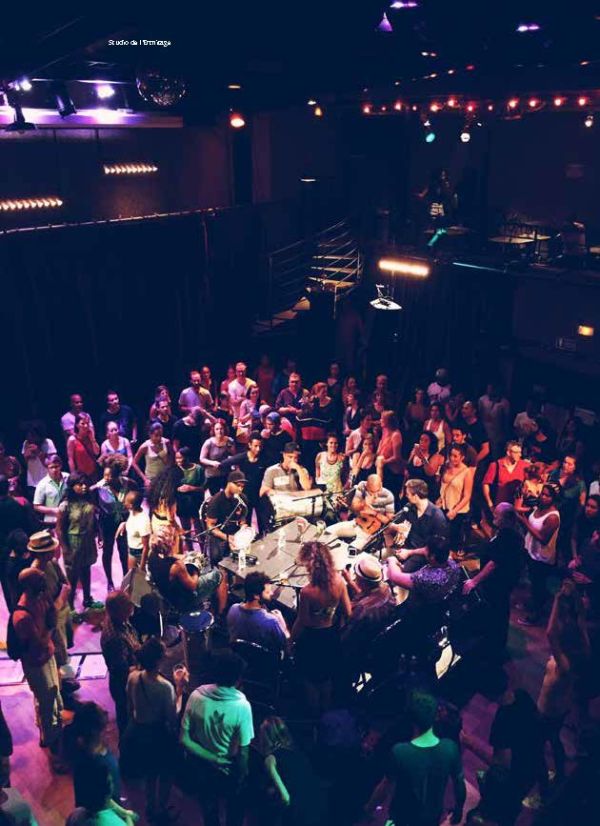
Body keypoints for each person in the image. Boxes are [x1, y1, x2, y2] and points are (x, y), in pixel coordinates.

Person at [367, 690, 466, 826]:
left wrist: (367, 811)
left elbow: (384, 788)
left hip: (402, 816)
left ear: (412, 721)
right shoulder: (450, 748)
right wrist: (459, 809)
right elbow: (459, 783)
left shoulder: (400, 751)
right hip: (433, 815)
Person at [461, 672, 548, 825]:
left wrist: (469, 743)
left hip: (515, 777)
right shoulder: (523, 696)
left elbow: (501, 765)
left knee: (500, 813)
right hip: (534, 763)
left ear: (488, 695)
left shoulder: (502, 720)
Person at [180, 649, 254, 826]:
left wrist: (212, 758)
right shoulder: (242, 706)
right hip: (230, 767)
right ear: (238, 679)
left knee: (209, 809)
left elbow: (184, 739)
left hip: (202, 766)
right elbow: (243, 752)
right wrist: (242, 775)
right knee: (235, 810)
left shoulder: (196, 696)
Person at [538, 581, 591, 784]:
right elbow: (581, 624)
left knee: (538, 745)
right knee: (554, 739)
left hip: (548, 710)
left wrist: (558, 600)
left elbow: (550, 633)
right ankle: (559, 773)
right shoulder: (583, 652)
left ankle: (544, 786)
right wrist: (576, 601)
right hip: (562, 708)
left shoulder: (565, 665)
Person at [12, 568, 64, 771]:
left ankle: (46, 731)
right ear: (28, 585)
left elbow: (50, 615)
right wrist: (52, 624)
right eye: (39, 579)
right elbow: (39, 643)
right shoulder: (22, 616)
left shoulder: (40, 599)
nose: (44, 581)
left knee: (53, 695)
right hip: (36, 662)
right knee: (47, 700)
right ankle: (53, 749)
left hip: (47, 656)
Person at [291, 541, 352, 714]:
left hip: (312, 639)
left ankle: (313, 716)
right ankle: (325, 714)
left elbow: (303, 621)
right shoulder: (339, 582)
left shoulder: (307, 592)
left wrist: (290, 640)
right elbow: (348, 612)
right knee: (326, 679)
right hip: (331, 636)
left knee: (310, 680)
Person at [126, 637, 178, 822]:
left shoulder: (133, 677)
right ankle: (161, 808)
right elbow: (171, 717)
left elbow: (129, 705)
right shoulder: (165, 687)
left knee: (149, 773)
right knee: (165, 772)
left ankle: (149, 805)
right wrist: (179, 688)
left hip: (139, 731)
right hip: (158, 735)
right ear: (159, 661)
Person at [463, 503, 524, 661]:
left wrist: (474, 581)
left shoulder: (509, 536)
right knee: (497, 612)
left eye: (497, 516)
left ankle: (494, 648)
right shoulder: (505, 532)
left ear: (506, 519)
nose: (494, 517)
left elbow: (493, 563)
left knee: (498, 613)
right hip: (499, 583)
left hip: (499, 583)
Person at [66, 702, 136, 824]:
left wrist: (122, 812)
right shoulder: (97, 763)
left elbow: (99, 798)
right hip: (106, 812)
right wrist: (127, 819)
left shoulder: (85, 755)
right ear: (94, 730)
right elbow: (103, 799)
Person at [28, 530, 78, 692]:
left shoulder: (53, 563)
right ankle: (63, 686)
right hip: (52, 619)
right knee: (58, 652)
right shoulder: (35, 575)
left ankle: (66, 681)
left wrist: (62, 596)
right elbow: (50, 605)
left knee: (64, 648)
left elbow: (67, 584)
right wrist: (62, 596)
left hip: (63, 612)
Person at [259, 716, 328, 826]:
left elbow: (285, 798)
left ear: (266, 736)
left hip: (299, 814)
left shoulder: (271, 759)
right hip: (318, 807)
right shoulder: (298, 753)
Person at [148, 527, 227, 615]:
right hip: (184, 600)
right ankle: (221, 614)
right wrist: (196, 568)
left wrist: (188, 556)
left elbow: (171, 555)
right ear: (172, 543)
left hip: (167, 595)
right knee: (220, 574)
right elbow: (193, 585)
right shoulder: (176, 566)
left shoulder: (152, 554)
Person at [340, 556, 396, 671]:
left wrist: (341, 591)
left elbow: (345, 638)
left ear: (362, 582)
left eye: (356, 577)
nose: (354, 578)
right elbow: (368, 596)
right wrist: (350, 582)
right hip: (379, 637)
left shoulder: (362, 609)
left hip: (360, 651)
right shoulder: (385, 588)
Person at [517, 483, 561, 626]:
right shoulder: (538, 508)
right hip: (531, 552)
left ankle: (535, 615)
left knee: (539, 587)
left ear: (554, 498)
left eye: (547, 495)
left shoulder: (553, 517)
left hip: (542, 558)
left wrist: (524, 522)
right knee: (533, 582)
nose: (543, 496)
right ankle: (533, 605)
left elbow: (543, 539)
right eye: (542, 493)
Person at [56, 472, 100, 611]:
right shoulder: (65, 505)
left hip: (88, 541)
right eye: (79, 484)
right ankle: (71, 607)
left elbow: (94, 520)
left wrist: (99, 535)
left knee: (86, 570)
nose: (84, 487)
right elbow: (59, 529)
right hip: (73, 542)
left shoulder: (89, 500)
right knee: (72, 577)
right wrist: (65, 548)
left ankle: (87, 599)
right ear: (72, 486)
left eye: (85, 484)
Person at [100, 591, 140, 736]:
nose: (131, 608)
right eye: (127, 606)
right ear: (119, 611)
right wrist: (144, 666)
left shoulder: (119, 620)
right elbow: (121, 670)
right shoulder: (114, 639)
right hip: (123, 685)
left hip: (128, 676)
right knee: (126, 719)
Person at [388, 479, 449, 571]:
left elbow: (434, 549)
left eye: (408, 494)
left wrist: (409, 553)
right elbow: (390, 524)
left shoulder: (437, 517)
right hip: (405, 548)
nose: (406, 496)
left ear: (415, 496)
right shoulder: (409, 507)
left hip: (422, 554)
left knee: (398, 572)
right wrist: (396, 527)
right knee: (384, 563)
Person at [324, 473, 395, 552]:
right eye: (371, 491)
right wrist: (364, 503)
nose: (374, 494)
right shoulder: (362, 486)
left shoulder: (388, 496)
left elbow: (388, 522)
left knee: (351, 551)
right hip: (356, 523)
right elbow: (354, 508)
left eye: (377, 490)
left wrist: (374, 512)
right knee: (328, 531)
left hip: (369, 532)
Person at [92, 456, 132, 590]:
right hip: (107, 524)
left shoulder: (128, 484)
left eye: (110, 476)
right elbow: (94, 508)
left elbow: (136, 502)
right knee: (107, 552)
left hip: (124, 523)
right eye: (105, 475)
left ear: (117, 475)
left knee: (123, 553)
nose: (106, 478)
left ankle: (126, 579)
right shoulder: (99, 487)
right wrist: (99, 533)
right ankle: (109, 582)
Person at [388, 535, 462, 605]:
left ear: (432, 557)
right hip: (442, 594)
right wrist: (409, 552)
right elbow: (425, 550)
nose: (424, 550)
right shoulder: (451, 563)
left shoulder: (427, 577)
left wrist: (392, 560)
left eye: (427, 549)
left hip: (424, 602)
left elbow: (394, 577)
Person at [227, 571, 288, 653]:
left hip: (241, 654)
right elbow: (285, 644)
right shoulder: (271, 621)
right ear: (256, 596)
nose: (271, 593)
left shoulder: (233, 609)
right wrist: (282, 624)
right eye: (267, 592)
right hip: (266, 660)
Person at [219, 432, 268, 533]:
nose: (258, 449)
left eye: (260, 446)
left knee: (263, 523)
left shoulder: (264, 458)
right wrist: (233, 480)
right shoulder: (242, 457)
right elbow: (223, 464)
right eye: (255, 446)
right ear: (249, 445)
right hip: (245, 496)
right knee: (246, 524)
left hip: (259, 495)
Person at [65, 757, 135, 825]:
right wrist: (128, 817)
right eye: (110, 781)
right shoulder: (114, 823)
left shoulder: (75, 816)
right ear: (107, 793)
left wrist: (124, 812)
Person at [0, 476, 32, 611]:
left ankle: (15, 615)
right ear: (8, 488)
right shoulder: (19, 504)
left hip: (3, 554)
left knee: (8, 588)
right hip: (19, 551)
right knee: (24, 585)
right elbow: (28, 526)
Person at [205, 470, 249, 564]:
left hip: (235, 532)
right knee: (218, 560)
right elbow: (210, 526)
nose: (240, 489)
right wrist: (227, 538)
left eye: (242, 486)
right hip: (219, 534)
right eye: (238, 485)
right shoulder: (216, 501)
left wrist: (243, 528)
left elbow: (242, 519)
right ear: (229, 483)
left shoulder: (242, 498)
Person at [438, 443, 473, 551]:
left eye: (455, 456)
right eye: (451, 455)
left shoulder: (467, 472)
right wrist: (440, 499)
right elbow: (443, 486)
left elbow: (467, 496)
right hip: (444, 507)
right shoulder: (446, 467)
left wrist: (455, 511)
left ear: (462, 457)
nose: (452, 459)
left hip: (458, 511)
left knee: (454, 540)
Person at [132, 422, 174, 491]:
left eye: (161, 435)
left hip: (164, 477)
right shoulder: (145, 446)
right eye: (156, 435)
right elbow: (134, 463)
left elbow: (172, 457)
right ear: (150, 434)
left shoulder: (166, 442)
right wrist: (145, 479)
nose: (159, 438)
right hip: (151, 479)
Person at [405, 431, 445, 503]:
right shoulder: (414, 452)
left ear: (431, 443)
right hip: (411, 491)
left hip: (425, 493)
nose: (422, 442)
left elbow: (430, 473)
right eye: (421, 439)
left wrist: (422, 458)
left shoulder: (435, 456)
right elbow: (407, 469)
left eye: (426, 441)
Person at [117, 490, 151, 570]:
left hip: (139, 554)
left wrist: (142, 567)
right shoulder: (132, 512)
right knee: (131, 577)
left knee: (139, 579)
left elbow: (146, 547)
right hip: (131, 551)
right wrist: (124, 524)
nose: (124, 503)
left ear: (131, 505)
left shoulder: (143, 521)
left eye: (126, 501)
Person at [200, 419, 235, 496]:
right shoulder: (208, 443)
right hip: (212, 474)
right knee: (215, 496)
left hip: (225, 473)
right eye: (217, 429)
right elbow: (202, 458)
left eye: (221, 428)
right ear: (214, 430)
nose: (219, 431)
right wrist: (212, 463)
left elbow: (233, 455)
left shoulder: (229, 441)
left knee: (226, 495)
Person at [174, 447, 205, 535]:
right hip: (181, 502)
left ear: (187, 457)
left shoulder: (198, 469)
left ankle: (203, 547)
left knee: (199, 527)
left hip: (196, 501)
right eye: (176, 458)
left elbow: (204, 487)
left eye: (180, 458)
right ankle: (189, 548)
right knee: (185, 529)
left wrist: (191, 488)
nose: (178, 460)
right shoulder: (175, 469)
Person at [21, 424, 57, 499]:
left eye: (33, 436)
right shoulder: (26, 443)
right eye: (28, 436)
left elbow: (53, 463)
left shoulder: (48, 442)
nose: (30, 439)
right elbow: (24, 465)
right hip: (32, 483)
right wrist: (26, 456)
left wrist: (38, 452)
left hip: (47, 480)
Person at [32, 454, 68, 528]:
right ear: (47, 468)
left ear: (60, 466)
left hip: (69, 518)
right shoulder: (42, 484)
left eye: (56, 467)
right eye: (51, 467)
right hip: (52, 521)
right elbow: (36, 506)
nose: (54, 470)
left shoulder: (67, 477)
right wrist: (54, 510)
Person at [375, 410, 404, 500]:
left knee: (391, 497)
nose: (380, 420)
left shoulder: (396, 435)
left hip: (393, 471)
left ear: (389, 421)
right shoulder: (384, 431)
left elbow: (397, 457)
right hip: (385, 469)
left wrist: (383, 462)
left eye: (382, 419)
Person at [479, 383, 511, 459]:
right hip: (484, 430)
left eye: (492, 388)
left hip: (497, 433)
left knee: (495, 455)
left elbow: (506, 420)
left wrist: (504, 435)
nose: (490, 390)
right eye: (488, 388)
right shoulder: (482, 400)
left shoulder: (504, 403)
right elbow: (480, 415)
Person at [67, 415, 100, 481]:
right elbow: (71, 459)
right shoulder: (72, 440)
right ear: (77, 425)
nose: (85, 426)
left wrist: (92, 439)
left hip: (93, 473)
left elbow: (97, 453)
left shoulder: (90, 437)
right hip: (80, 475)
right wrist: (73, 475)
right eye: (83, 423)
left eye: (87, 423)